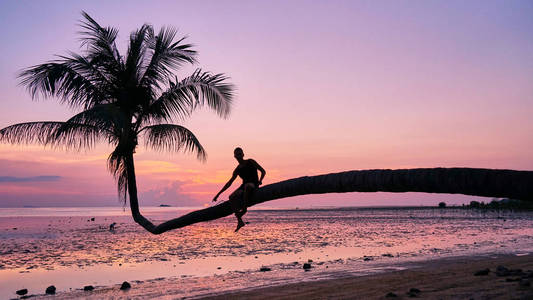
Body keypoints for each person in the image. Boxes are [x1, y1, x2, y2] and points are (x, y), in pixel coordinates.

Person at [213, 147, 266, 232]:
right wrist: (218, 194)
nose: (239, 156)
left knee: (248, 186)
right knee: (231, 197)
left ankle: (244, 209)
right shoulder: (237, 169)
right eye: (237, 154)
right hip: (244, 186)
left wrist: (260, 181)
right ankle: (240, 221)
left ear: (243, 154)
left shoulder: (250, 161)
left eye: (240, 154)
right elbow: (229, 183)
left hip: (254, 184)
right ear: (234, 156)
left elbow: (263, 171)